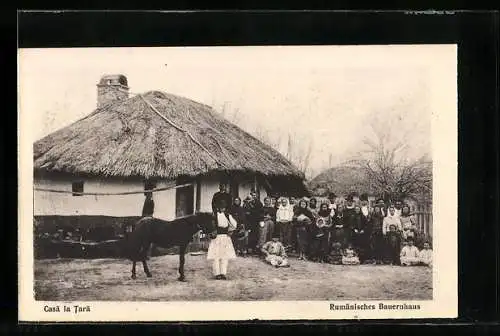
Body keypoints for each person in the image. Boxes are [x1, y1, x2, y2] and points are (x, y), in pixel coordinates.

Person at [207, 201, 237, 280]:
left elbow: (234, 224)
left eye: (223, 207)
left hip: (225, 237)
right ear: (217, 208)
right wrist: (212, 232)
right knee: (216, 256)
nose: (221, 209)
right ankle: (217, 273)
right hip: (216, 237)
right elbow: (210, 226)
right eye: (220, 207)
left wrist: (230, 231)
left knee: (224, 256)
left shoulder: (227, 215)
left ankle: (223, 273)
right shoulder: (214, 215)